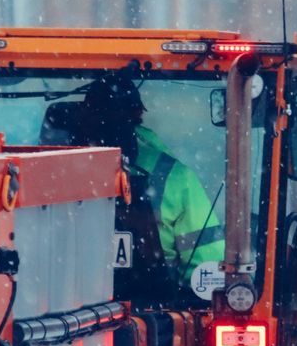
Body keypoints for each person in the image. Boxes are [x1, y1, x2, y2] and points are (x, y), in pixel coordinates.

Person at [70, 76, 223, 284]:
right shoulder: (176, 177)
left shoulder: (40, 178)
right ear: (138, 114)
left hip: (56, 308)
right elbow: (206, 267)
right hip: (156, 307)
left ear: (83, 118)